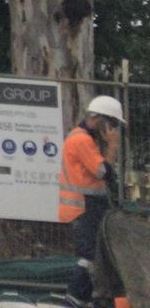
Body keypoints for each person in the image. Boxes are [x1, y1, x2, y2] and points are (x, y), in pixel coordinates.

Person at [58, 96, 124, 308]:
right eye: (112, 124)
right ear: (100, 119)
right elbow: (104, 172)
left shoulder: (87, 139)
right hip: (81, 208)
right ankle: (72, 301)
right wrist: (112, 146)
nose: (114, 130)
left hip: (89, 207)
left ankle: (87, 301)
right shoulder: (82, 140)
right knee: (89, 258)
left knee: (96, 258)